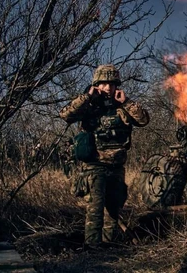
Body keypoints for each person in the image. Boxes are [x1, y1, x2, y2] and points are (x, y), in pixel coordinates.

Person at [59, 64, 149, 248]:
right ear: (96, 85)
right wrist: (86, 97)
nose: (108, 88)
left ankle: (108, 247)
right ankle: (92, 248)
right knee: (95, 209)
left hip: (116, 166)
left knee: (113, 210)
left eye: (111, 84)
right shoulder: (89, 106)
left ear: (117, 85)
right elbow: (65, 114)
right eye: (103, 84)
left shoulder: (122, 107)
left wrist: (127, 102)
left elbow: (143, 120)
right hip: (94, 166)